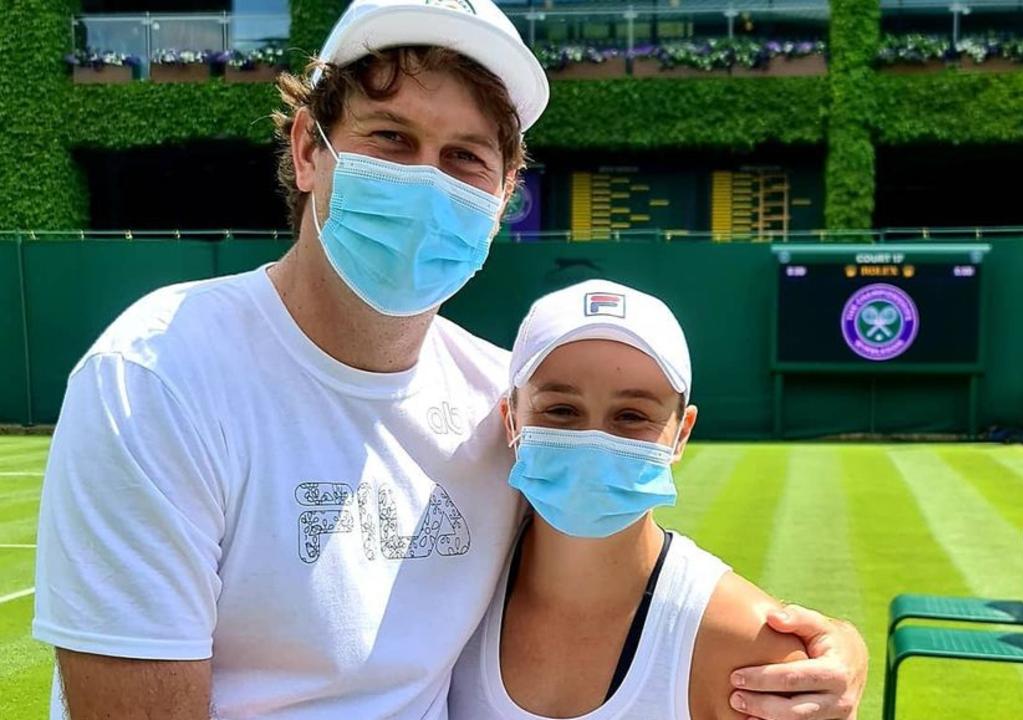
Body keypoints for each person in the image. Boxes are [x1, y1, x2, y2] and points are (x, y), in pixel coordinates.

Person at [32, 1, 867, 718]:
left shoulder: (495, 399)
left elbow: (621, 556)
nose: (427, 181)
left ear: (502, 198)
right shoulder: (156, 379)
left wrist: (820, 647)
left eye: (466, 158)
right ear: (308, 151)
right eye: (391, 139)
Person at [451, 279, 826, 720]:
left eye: (632, 416)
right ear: (511, 418)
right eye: (561, 410)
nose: (593, 439)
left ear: (681, 434)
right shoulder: (447, 599)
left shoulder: (749, 649)